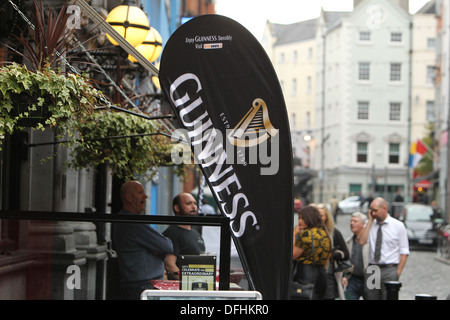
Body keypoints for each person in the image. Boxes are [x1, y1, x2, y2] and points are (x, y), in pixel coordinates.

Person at [112, 181, 174, 300]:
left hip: (139, 286)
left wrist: (156, 250)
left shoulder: (129, 220)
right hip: (142, 287)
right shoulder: (133, 223)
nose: (145, 196)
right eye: (140, 192)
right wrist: (157, 250)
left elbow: (163, 247)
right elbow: (167, 246)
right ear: (129, 197)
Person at [359, 197, 409, 300]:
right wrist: (369, 221)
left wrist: (397, 272)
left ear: (384, 209)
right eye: (371, 210)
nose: (373, 213)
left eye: (375, 210)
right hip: (372, 268)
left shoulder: (398, 226)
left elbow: (404, 251)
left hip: (389, 269)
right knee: (370, 297)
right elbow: (362, 241)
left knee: (388, 297)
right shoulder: (370, 224)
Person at [163, 193, 206, 280]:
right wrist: (187, 283)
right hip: (183, 290)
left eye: (195, 203)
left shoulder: (195, 233)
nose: (193, 207)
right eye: (188, 203)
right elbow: (169, 265)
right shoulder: (172, 233)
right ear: (177, 208)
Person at [292, 205, 331, 300]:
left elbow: (293, 255)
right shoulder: (324, 233)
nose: (299, 221)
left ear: (309, 218)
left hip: (307, 274)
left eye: (302, 218)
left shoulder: (306, 234)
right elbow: (328, 256)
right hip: (322, 274)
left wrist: (294, 234)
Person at [316, 203, 349, 300]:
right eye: (316, 215)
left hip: (328, 274)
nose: (319, 218)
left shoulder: (334, 233)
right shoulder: (308, 232)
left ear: (326, 217)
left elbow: (346, 254)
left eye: (321, 216)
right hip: (312, 275)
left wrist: (333, 255)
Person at [342, 212, 369, 300]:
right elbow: (346, 261)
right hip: (352, 279)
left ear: (363, 224)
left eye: (355, 221)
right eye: (351, 221)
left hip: (368, 279)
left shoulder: (370, 241)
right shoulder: (348, 242)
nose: (352, 223)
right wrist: (345, 276)